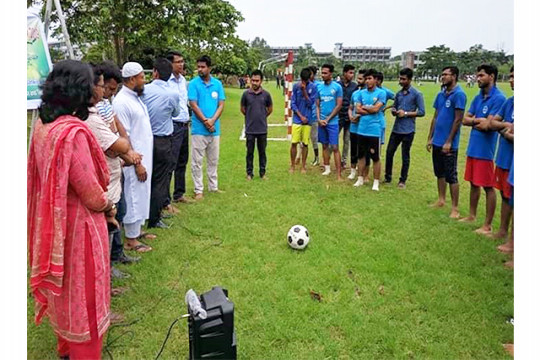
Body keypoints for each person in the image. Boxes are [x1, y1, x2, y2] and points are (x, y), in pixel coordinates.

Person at [28, 60, 113, 359]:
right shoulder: (72, 134)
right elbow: (92, 194)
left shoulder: (43, 125)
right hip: (79, 231)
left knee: (64, 295)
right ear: (78, 90)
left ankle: (66, 350)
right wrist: (109, 203)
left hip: (55, 226)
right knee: (83, 299)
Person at [87, 65, 141, 283]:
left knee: (118, 213)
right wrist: (129, 154)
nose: (107, 93)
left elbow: (117, 128)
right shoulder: (90, 114)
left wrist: (127, 150)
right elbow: (111, 144)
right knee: (109, 222)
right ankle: (106, 268)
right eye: (105, 88)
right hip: (104, 176)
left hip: (115, 170)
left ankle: (116, 256)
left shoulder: (106, 104)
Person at [460, 64, 506, 235]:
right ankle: (472, 215)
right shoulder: (478, 97)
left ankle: (488, 225)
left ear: (491, 76)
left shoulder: (499, 98)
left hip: (485, 150)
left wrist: (480, 121)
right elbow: (465, 119)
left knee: (488, 186)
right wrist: (477, 121)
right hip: (473, 147)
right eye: (477, 75)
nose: (478, 79)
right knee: (473, 182)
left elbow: (488, 125)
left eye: (481, 75)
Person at [113, 62, 154, 252]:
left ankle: (137, 231)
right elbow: (125, 136)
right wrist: (136, 162)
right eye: (141, 77)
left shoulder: (134, 97)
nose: (144, 80)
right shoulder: (121, 102)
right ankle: (131, 239)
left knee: (142, 192)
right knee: (133, 194)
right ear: (131, 79)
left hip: (144, 155)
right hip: (133, 160)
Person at [142, 58, 180, 229]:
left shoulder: (144, 90)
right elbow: (176, 112)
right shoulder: (172, 93)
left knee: (144, 178)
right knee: (160, 180)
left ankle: (143, 214)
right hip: (163, 140)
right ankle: (154, 217)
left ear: (155, 72)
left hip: (144, 139)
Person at [426, 66, 467, 218]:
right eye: (442, 74)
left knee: (451, 175)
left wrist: (449, 141)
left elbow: (458, 120)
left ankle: (455, 208)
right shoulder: (440, 94)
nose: (442, 77)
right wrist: (431, 137)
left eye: (446, 74)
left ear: (454, 76)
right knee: (439, 172)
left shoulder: (459, 95)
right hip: (437, 141)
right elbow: (435, 117)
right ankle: (441, 200)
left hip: (449, 144)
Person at [188, 55, 226, 200]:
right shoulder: (193, 84)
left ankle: (213, 187)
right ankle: (198, 190)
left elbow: (221, 104)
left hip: (214, 129)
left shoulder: (217, 84)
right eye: (198, 67)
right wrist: (205, 121)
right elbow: (193, 104)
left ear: (209, 68)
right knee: (197, 161)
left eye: (203, 67)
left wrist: (213, 120)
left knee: (213, 160)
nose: (200, 69)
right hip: (199, 129)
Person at [384, 68, 425, 188]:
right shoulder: (398, 94)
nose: (401, 81)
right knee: (389, 152)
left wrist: (406, 113)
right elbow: (395, 107)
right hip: (397, 128)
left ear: (410, 79)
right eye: (400, 78)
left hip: (408, 130)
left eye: (403, 79)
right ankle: (388, 177)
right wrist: (394, 111)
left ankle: (402, 180)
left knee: (405, 155)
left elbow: (422, 112)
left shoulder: (417, 94)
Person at [352, 69, 386, 191]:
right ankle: (360, 178)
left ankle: (375, 182)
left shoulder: (381, 93)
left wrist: (366, 108)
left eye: (370, 78)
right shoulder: (361, 93)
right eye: (366, 79)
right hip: (361, 129)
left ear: (376, 80)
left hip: (374, 130)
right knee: (361, 156)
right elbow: (357, 109)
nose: (367, 81)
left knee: (375, 157)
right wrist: (369, 108)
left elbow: (376, 109)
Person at [166, 51, 193, 205]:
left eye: (182, 61)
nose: (182, 64)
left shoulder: (182, 80)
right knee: (171, 162)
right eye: (178, 62)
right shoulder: (166, 82)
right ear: (171, 64)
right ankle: (166, 200)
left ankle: (179, 194)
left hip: (184, 124)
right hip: (173, 126)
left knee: (182, 160)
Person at [491, 66, 514, 241]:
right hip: (504, 157)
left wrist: (504, 128)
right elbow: (493, 123)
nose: (511, 80)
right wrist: (508, 128)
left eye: (515, 77)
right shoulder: (510, 101)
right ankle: (503, 231)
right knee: (505, 195)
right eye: (511, 76)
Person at [241, 69, 273, 179]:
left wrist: (262, 116)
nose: (255, 83)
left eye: (257, 80)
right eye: (253, 80)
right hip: (250, 128)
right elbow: (243, 109)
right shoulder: (246, 94)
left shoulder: (266, 95)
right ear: (250, 80)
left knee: (262, 152)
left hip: (262, 129)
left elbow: (269, 109)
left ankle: (262, 173)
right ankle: (249, 173)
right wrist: (250, 116)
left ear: (261, 81)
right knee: (249, 152)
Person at [316, 64, 343, 179]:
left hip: (332, 122)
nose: (323, 75)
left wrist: (327, 119)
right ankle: (327, 168)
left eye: (325, 73)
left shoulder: (337, 87)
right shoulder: (319, 87)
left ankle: (338, 174)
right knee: (324, 145)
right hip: (321, 122)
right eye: (322, 73)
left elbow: (339, 105)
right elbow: (317, 105)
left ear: (331, 74)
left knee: (335, 147)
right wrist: (318, 119)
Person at [290, 68, 318, 173]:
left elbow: (311, 104)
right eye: (302, 80)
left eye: (305, 81)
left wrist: (304, 92)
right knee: (294, 143)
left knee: (305, 143)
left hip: (308, 120)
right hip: (298, 119)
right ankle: (292, 165)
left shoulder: (313, 87)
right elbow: (293, 103)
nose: (303, 83)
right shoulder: (295, 86)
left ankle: (303, 166)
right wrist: (300, 116)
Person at [347, 70, 367, 180]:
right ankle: (353, 171)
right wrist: (350, 116)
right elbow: (350, 107)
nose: (358, 81)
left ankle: (364, 173)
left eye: (360, 79)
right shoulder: (355, 93)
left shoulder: (369, 94)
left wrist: (358, 116)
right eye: (357, 78)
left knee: (363, 151)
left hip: (364, 127)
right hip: (353, 126)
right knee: (353, 149)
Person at [338, 64, 357, 169]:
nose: (352, 75)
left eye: (353, 73)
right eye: (350, 72)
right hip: (338, 117)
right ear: (344, 73)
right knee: (333, 139)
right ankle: (328, 159)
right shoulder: (337, 85)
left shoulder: (355, 86)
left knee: (347, 140)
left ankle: (343, 161)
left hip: (349, 118)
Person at [308, 65, 321, 166]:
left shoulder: (318, 86)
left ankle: (317, 158)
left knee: (314, 137)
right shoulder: (303, 84)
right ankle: (299, 157)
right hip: (304, 115)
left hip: (315, 116)